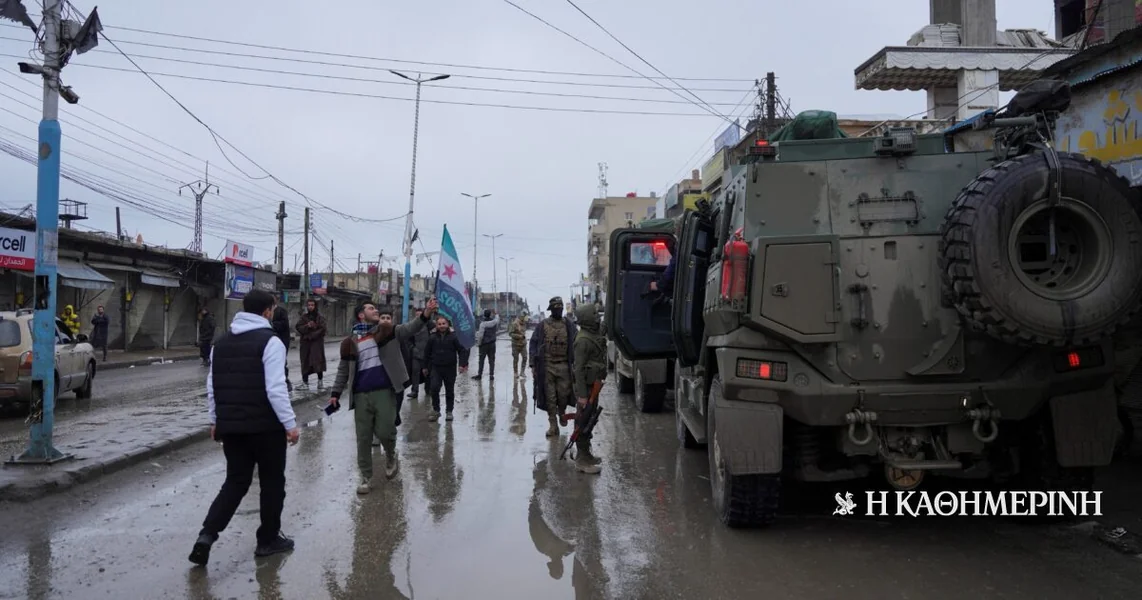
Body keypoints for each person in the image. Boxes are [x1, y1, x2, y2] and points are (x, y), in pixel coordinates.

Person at [188, 289, 299, 566]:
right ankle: (268, 540)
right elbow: (275, 388)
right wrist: (290, 424)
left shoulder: (221, 343)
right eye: (272, 309)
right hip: (266, 428)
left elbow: (212, 387)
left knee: (236, 482)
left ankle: (207, 535)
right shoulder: (271, 342)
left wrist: (215, 421)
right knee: (272, 483)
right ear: (267, 311)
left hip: (232, 427)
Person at [330, 298, 437, 495]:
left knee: (386, 431)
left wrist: (426, 313)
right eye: (371, 308)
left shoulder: (387, 331)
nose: (376, 310)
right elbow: (343, 370)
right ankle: (365, 477)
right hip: (361, 395)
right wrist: (335, 393)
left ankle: (390, 455)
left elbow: (410, 328)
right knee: (363, 437)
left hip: (384, 391)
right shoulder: (349, 343)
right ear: (361, 315)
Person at [529, 297, 577, 438]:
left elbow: (577, 342)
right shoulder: (542, 326)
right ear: (551, 310)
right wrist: (533, 365)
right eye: (556, 308)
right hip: (547, 366)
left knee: (563, 395)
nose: (558, 310)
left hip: (564, 366)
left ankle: (561, 412)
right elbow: (533, 344)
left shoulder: (569, 325)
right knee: (550, 398)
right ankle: (553, 425)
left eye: (560, 308)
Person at [571, 303, 607, 474]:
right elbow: (578, 369)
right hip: (585, 388)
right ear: (586, 318)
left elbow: (605, 327)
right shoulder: (582, 340)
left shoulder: (594, 333)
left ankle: (587, 453)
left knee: (591, 419)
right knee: (583, 421)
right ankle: (582, 459)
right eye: (594, 314)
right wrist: (583, 396)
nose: (597, 316)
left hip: (594, 385)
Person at [423, 315, 468, 422]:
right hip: (436, 368)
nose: (442, 326)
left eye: (444, 323)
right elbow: (426, 353)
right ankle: (436, 410)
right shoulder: (432, 337)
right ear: (436, 325)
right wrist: (424, 367)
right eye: (439, 324)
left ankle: (449, 411)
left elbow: (462, 350)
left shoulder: (454, 337)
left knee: (449, 390)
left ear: (448, 324)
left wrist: (462, 364)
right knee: (434, 388)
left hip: (450, 368)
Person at [295, 299, 327, 390]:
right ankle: (305, 383)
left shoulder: (320, 317)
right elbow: (298, 327)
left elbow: (323, 329)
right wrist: (307, 326)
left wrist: (312, 334)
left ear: (315, 306)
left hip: (317, 344)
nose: (310, 307)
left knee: (318, 362)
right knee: (305, 362)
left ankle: (320, 382)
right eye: (309, 305)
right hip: (305, 344)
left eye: (312, 305)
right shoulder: (303, 317)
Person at [406, 307, 431, 400]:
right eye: (417, 315)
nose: (419, 317)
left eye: (420, 315)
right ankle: (414, 391)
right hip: (416, 354)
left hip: (428, 355)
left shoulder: (429, 325)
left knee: (428, 373)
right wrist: (412, 348)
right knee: (415, 372)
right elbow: (408, 340)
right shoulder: (411, 327)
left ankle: (428, 390)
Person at [473, 309, 500, 381]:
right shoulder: (494, 322)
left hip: (484, 345)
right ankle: (491, 375)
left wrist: (479, 343)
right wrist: (496, 314)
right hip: (492, 344)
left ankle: (479, 375)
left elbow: (480, 336)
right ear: (490, 314)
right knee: (491, 360)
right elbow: (497, 319)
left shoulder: (483, 324)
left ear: (484, 315)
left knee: (481, 360)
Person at [271, 304, 293, 392]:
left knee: (282, 362)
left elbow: (284, 325)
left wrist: (272, 324)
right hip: (270, 341)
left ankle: (285, 382)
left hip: (281, 341)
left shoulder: (281, 311)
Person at [510, 312, 529, 378]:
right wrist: (519, 336)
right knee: (516, 359)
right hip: (515, 344)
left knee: (525, 357)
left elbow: (523, 332)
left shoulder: (524, 323)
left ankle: (522, 372)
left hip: (523, 344)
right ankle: (515, 372)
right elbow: (510, 334)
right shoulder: (514, 323)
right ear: (521, 317)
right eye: (525, 316)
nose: (526, 318)